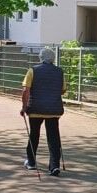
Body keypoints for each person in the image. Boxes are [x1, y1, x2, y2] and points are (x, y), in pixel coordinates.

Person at [20, 47, 66, 176]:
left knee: (34, 134)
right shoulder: (59, 71)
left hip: (36, 108)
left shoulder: (32, 70)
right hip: (53, 109)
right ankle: (54, 166)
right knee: (54, 137)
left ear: (40, 58)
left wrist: (24, 107)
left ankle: (31, 162)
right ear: (53, 59)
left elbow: (26, 90)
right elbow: (63, 90)